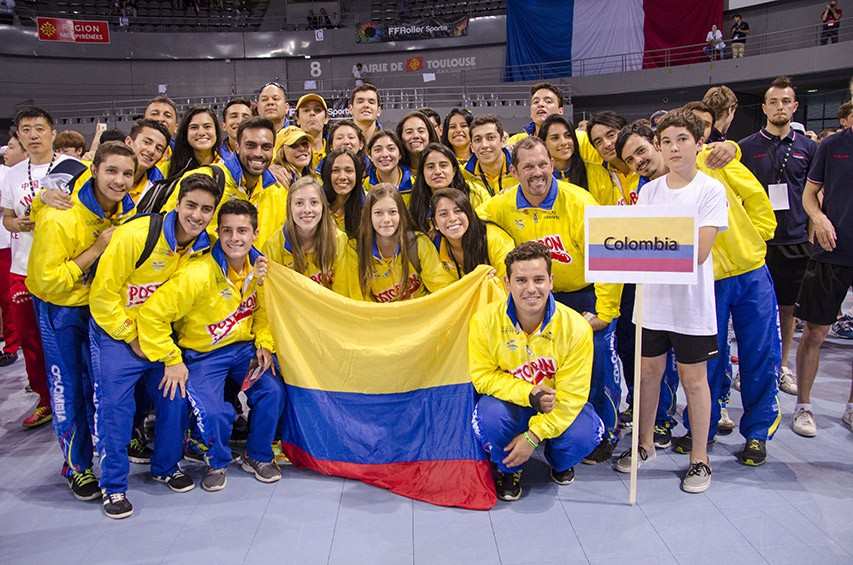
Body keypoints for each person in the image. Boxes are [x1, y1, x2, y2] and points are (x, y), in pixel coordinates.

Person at [477, 137, 623, 463]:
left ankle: (603, 431)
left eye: (543, 164)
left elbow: (608, 255)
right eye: (528, 166)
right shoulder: (500, 205)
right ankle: (533, 426)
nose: (538, 172)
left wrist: (605, 311)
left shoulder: (580, 201)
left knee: (597, 358)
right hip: (534, 297)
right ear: (514, 171)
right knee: (530, 367)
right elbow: (474, 224)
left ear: (552, 164)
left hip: (583, 295)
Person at [89, 173, 220, 518]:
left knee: (175, 395)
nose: (197, 215)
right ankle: (113, 486)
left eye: (206, 209)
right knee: (115, 408)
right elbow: (101, 299)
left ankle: (165, 465)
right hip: (117, 334)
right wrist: (131, 336)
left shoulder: (205, 245)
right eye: (191, 205)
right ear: (178, 204)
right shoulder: (136, 236)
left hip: (159, 336)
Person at [614, 109, 728, 494]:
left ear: (698, 143)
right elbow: (638, 246)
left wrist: (654, 247)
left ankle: (700, 459)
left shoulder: (710, 190)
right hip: (653, 299)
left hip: (691, 303)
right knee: (647, 375)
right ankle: (644, 444)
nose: (674, 147)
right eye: (667, 141)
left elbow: (699, 251)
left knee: (693, 381)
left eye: (682, 139)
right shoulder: (648, 192)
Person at [138, 199, 285, 496]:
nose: (235, 238)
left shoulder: (260, 268)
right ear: (218, 231)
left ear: (255, 233)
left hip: (243, 350)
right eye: (228, 230)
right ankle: (216, 462)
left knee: (273, 391)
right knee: (216, 412)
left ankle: (257, 455)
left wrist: (264, 343)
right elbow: (151, 314)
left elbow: (262, 313)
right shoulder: (196, 274)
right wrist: (171, 359)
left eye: (243, 230)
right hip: (202, 356)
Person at [26, 141, 137, 502]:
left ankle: (107, 453)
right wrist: (95, 250)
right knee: (68, 389)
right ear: (94, 170)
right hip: (62, 312)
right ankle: (77, 466)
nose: (119, 180)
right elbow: (46, 283)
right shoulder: (61, 215)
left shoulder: (127, 211)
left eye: (127, 174)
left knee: (102, 388)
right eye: (112, 171)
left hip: (103, 310)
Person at [677, 101, 780, 466]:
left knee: (759, 353)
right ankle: (700, 429)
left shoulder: (717, 162)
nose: (677, 147)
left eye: (685, 137)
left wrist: (756, 238)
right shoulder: (661, 185)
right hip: (708, 281)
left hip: (749, 272)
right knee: (708, 360)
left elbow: (756, 198)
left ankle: (756, 431)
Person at [468, 241, 604, 501]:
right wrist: (529, 393)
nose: (531, 289)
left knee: (586, 432)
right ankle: (510, 468)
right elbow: (482, 377)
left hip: (557, 404)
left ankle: (559, 460)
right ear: (507, 283)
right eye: (521, 280)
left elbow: (573, 397)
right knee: (489, 417)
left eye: (539, 279)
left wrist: (533, 437)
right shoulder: (483, 321)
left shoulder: (576, 328)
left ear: (551, 281)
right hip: (512, 402)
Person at [738, 77, 817, 396]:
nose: (780, 107)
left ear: (794, 106)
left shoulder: (809, 148)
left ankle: (781, 365)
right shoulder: (745, 147)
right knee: (752, 312)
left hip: (795, 242)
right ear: (764, 108)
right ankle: (750, 368)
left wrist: (811, 238)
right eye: (774, 102)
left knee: (787, 310)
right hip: (756, 244)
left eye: (786, 101)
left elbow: (816, 195)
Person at [0, 107, 77, 429]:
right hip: (24, 268)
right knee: (31, 342)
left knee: (71, 341)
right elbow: (6, 217)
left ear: (52, 132)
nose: (33, 135)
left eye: (39, 128)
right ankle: (46, 400)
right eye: (26, 129)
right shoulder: (12, 175)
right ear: (17, 134)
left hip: (66, 266)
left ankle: (78, 400)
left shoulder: (75, 168)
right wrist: (16, 221)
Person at [793, 102, 853, 436]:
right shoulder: (832, 145)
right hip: (831, 252)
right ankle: (804, 405)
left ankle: (851, 407)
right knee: (816, 331)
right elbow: (810, 194)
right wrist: (819, 218)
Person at [164, 117, 288, 249]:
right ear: (238, 147)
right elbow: (167, 236)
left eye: (266, 147)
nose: (258, 153)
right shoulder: (202, 179)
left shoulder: (279, 191)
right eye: (250, 146)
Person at [346, 184, 453, 302]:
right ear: (368, 216)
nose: (386, 219)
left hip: (421, 315)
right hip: (382, 318)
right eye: (378, 213)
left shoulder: (418, 243)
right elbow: (359, 300)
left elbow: (442, 288)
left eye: (392, 212)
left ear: (401, 214)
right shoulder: (356, 249)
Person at [264, 176, 348, 290]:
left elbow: (343, 293)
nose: (307, 210)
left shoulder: (339, 240)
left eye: (314, 202)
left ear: (323, 206)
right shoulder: (273, 246)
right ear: (289, 208)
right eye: (299, 203)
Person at [431, 188, 514, 281]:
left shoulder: (495, 238)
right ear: (435, 224)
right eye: (443, 214)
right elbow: (446, 289)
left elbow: (510, 284)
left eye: (458, 210)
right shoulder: (437, 248)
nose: (452, 218)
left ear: (469, 214)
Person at [408, 143, 490, 235]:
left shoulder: (475, 193)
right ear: (422, 173)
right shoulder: (416, 202)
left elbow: (486, 229)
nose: (438, 172)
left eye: (443, 165)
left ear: (454, 171)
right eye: (430, 167)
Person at [0, 133, 26, 368]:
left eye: (10, 147)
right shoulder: (11, 175)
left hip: (8, 248)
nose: (6, 152)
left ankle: (11, 346)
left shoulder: (7, 175)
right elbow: (8, 216)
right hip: (14, 250)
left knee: (9, 302)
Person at [463, 115, 519, 197]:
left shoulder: (520, 170)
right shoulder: (464, 175)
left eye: (490, 138)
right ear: (472, 147)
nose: (484, 145)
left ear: (503, 141)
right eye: (478, 140)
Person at [165, 106, 223, 180]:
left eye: (207, 126)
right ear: (185, 133)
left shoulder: (229, 167)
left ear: (216, 131)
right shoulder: (169, 167)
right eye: (194, 127)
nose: (201, 133)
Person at [321, 148, 364, 239]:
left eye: (349, 171)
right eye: (335, 170)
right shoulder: (317, 207)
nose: (342, 177)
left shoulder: (367, 208)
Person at [538, 114, 588, 190]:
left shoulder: (596, 173)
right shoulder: (537, 178)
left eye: (568, 135)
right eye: (555, 138)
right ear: (543, 143)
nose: (563, 142)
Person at [364, 130, 413, 203]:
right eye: (378, 150)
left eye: (391, 149)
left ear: (400, 154)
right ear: (370, 156)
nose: (385, 154)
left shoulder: (414, 185)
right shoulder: (365, 186)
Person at [396, 110, 440, 179]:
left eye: (421, 131)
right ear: (401, 138)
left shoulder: (442, 170)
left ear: (430, 136)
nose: (416, 136)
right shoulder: (395, 173)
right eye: (409, 132)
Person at [270, 126, 315, 190]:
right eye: (294, 145)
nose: (302, 149)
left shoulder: (313, 176)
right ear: (281, 152)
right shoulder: (277, 182)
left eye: (304, 143)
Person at [294, 93, 329, 171]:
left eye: (317, 110)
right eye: (306, 110)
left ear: (326, 118)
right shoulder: (289, 154)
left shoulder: (335, 152)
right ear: (297, 119)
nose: (312, 113)